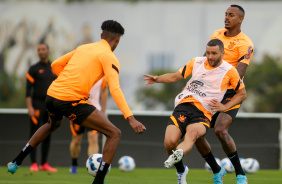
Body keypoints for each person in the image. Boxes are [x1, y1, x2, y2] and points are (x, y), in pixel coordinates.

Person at [7, 20, 146, 184]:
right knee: (114, 133)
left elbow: (55, 64)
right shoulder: (109, 57)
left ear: (101, 35)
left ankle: (16, 161)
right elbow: (115, 89)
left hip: (51, 95)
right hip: (70, 100)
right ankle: (99, 181)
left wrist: (66, 84)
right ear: (117, 41)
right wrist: (130, 118)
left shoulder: (83, 47)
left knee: (52, 125)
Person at [144, 39, 247, 184]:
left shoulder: (230, 71)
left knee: (192, 136)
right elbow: (175, 76)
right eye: (208, 52)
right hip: (183, 106)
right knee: (169, 143)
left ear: (223, 53)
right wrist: (157, 79)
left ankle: (180, 153)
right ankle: (181, 170)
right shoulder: (197, 62)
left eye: (214, 53)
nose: (210, 56)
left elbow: (242, 94)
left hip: (203, 113)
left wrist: (225, 107)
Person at [194, 5, 254, 184]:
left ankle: (240, 174)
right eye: (226, 14)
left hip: (230, 93)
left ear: (240, 19)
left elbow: (239, 74)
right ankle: (216, 170)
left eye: (231, 15)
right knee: (195, 132)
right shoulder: (217, 34)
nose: (226, 17)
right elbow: (205, 60)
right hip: (207, 91)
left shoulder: (245, 44)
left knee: (220, 130)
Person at [26, 43, 57, 172]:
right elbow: (28, 91)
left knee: (47, 134)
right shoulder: (33, 69)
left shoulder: (54, 68)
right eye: (39, 49)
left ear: (48, 51)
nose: (41, 51)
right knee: (34, 134)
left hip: (51, 106)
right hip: (37, 106)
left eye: (43, 49)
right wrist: (30, 107)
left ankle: (44, 163)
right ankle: (34, 163)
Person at [69, 77, 108, 174]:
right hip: (77, 110)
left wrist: (103, 109)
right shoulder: (80, 72)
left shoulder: (103, 76)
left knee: (93, 138)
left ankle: (93, 166)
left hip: (94, 111)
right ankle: (74, 164)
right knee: (77, 140)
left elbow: (104, 90)